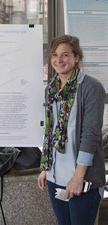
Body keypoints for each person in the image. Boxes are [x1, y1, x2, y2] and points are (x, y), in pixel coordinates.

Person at [37, 35, 106, 225]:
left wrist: (78, 177)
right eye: (55, 55)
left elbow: (90, 135)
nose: (59, 60)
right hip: (55, 176)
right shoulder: (51, 89)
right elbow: (51, 132)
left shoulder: (91, 87)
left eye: (65, 55)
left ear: (76, 58)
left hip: (82, 180)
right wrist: (46, 168)